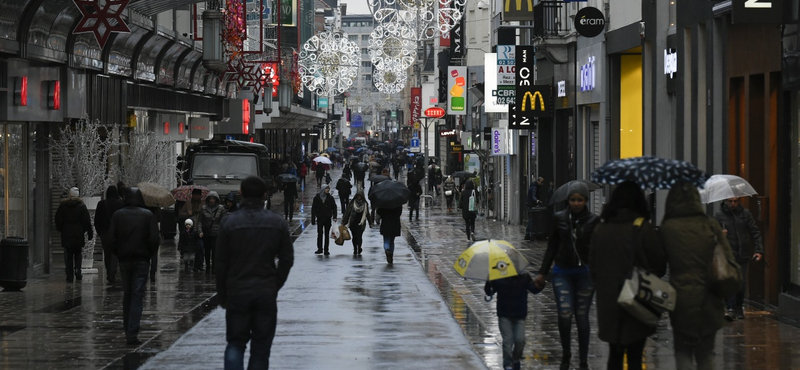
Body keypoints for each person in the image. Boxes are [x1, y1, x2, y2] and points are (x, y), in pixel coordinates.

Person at [215, 176, 294, 370]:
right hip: (265, 290)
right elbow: (287, 258)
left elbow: (220, 262)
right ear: (264, 194)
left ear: (241, 193)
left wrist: (223, 293)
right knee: (260, 349)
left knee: (235, 343)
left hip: (237, 290)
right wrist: (275, 284)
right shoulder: (276, 222)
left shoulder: (229, 222)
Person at [589, 181, 666, 370]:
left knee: (614, 356)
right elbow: (659, 264)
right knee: (635, 356)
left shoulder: (601, 229)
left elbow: (593, 266)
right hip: (638, 298)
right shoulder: (643, 228)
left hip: (609, 300)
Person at [660, 182, 735, 370]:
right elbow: (728, 260)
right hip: (709, 297)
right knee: (705, 354)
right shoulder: (710, 225)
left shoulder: (668, 227)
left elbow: (657, 262)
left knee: (683, 351)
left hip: (680, 299)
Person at [534, 182, 599, 370]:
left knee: (581, 316)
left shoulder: (594, 221)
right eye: (573, 200)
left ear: (585, 200)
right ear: (568, 201)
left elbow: (598, 250)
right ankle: (566, 355)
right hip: (562, 272)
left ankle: (584, 360)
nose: (576, 203)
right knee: (564, 313)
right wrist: (542, 273)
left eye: (579, 200)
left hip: (585, 273)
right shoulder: (559, 218)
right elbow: (552, 246)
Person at [109, 187, 160, 345]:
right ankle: (132, 331)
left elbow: (111, 239)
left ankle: (127, 329)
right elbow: (154, 239)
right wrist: (148, 254)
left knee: (128, 294)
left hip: (125, 260)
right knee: (138, 295)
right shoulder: (147, 215)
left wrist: (119, 252)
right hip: (141, 259)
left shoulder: (118, 215)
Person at [714, 196, 764, 321]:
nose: (733, 204)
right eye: (730, 201)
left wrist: (759, 250)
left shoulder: (745, 214)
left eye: (735, 201)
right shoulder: (719, 215)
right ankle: (730, 308)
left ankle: (738, 306)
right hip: (727, 255)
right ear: (726, 201)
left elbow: (755, 232)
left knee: (740, 284)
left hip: (742, 254)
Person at [484, 272, 543, 370]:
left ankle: (515, 359)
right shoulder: (498, 278)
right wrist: (489, 282)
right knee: (508, 341)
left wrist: (540, 283)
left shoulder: (524, 277)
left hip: (519, 315)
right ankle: (507, 363)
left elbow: (534, 289)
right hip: (504, 314)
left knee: (520, 340)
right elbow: (490, 292)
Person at [55, 187, 94, 282]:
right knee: (78, 253)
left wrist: (61, 229)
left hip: (66, 233)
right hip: (78, 233)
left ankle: (69, 274)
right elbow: (86, 221)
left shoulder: (63, 206)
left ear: (69, 195)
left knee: (68, 254)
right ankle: (78, 271)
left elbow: (58, 219)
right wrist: (89, 232)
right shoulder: (81, 206)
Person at [94, 185, 124, 285]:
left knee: (107, 253)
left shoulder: (101, 204)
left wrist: (100, 232)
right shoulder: (121, 204)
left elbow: (97, 220)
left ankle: (109, 272)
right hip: (117, 233)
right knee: (115, 253)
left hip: (105, 233)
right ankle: (113, 271)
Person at [199, 191, 226, 273]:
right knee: (207, 250)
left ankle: (214, 267)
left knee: (215, 251)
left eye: (213, 199)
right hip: (206, 232)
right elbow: (200, 221)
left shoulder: (221, 208)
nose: (212, 200)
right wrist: (200, 231)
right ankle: (207, 266)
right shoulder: (203, 208)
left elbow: (224, 221)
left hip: (216, 233)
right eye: (210, 198)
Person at [179, 188, 205, 271]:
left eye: (198, 195)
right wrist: (187, 213)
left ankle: (199, 265)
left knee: (200, 247)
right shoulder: (188, 204)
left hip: (199, 229)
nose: (196, 196)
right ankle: (190, 265)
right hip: (190, 230)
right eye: (195, 195)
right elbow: (180, 214)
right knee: (191, 248)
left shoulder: (203, 204)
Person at [342, 190, 373, 255]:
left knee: (359, 236)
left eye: (360, 196)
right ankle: (355, 248)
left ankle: (359, 247)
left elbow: (367, 214)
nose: (359, 197)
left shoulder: (365, 204)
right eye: (358, 196)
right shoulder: (352, 203)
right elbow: (347, 213)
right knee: (354, 236)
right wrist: (344, 222)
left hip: (361, 223)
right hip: (353, 222)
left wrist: (370, 223)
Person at [311, 184, 337, 255]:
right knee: (319, 233)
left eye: (328, 189)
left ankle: (326, 249)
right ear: (323, 189)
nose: (327, 190)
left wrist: (334, 216)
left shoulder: (330, 198)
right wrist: (313, 218)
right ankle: (319, 248)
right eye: (326, 189)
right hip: (320, 218)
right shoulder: (317, 198)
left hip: (327, 218)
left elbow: (334, 207)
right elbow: (313, 208)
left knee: (326, 234)